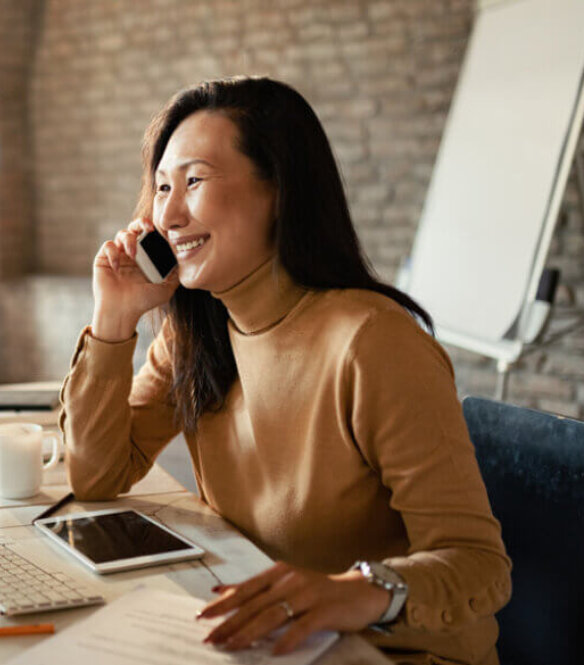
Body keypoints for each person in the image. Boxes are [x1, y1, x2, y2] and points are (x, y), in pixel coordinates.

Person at [60, 77, 510, 665]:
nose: (166, 213)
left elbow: (478, 565)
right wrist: (113, 320)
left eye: (193, 181)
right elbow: (96, 476)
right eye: (161, 186)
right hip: (265, 641)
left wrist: (357, 590)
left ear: (278, 189)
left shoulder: (374, 343)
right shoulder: (196, 331)